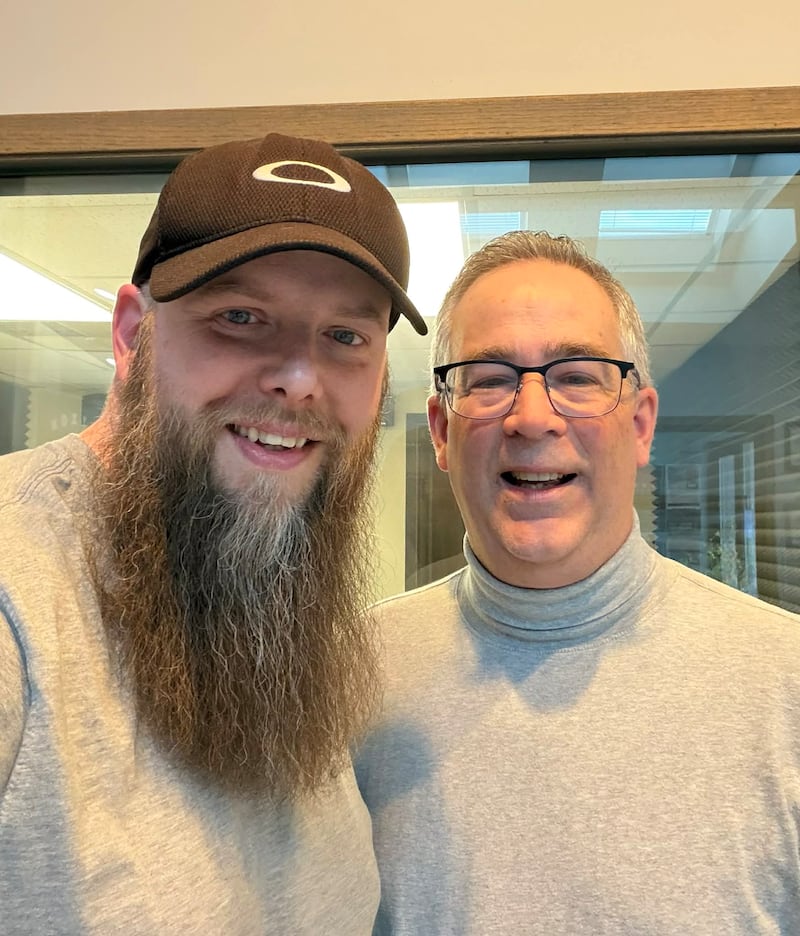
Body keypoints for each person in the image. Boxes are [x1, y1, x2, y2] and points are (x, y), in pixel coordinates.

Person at [0, 131, 427, 933]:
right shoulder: (16, 593)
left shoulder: (286, 606)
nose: (298, 378)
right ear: (132, 335)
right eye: (240, 316)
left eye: (345, 337)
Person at [355, 230, 800, 934]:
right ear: (440, 431)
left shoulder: (785, 683)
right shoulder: (349, 675)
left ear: (641, 425)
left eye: (577, 377)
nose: (532, 419)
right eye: (489, 378)